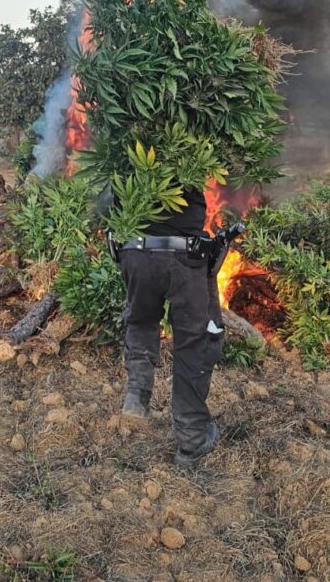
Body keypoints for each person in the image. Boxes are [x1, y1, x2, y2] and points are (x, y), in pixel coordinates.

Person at [113, 188, 224, 468]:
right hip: (185, 253)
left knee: (141, 321)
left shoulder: (123, 155)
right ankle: (193, 438)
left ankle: (136, 398)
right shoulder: (192, 157)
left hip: (135, 251)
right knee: (193, 340)